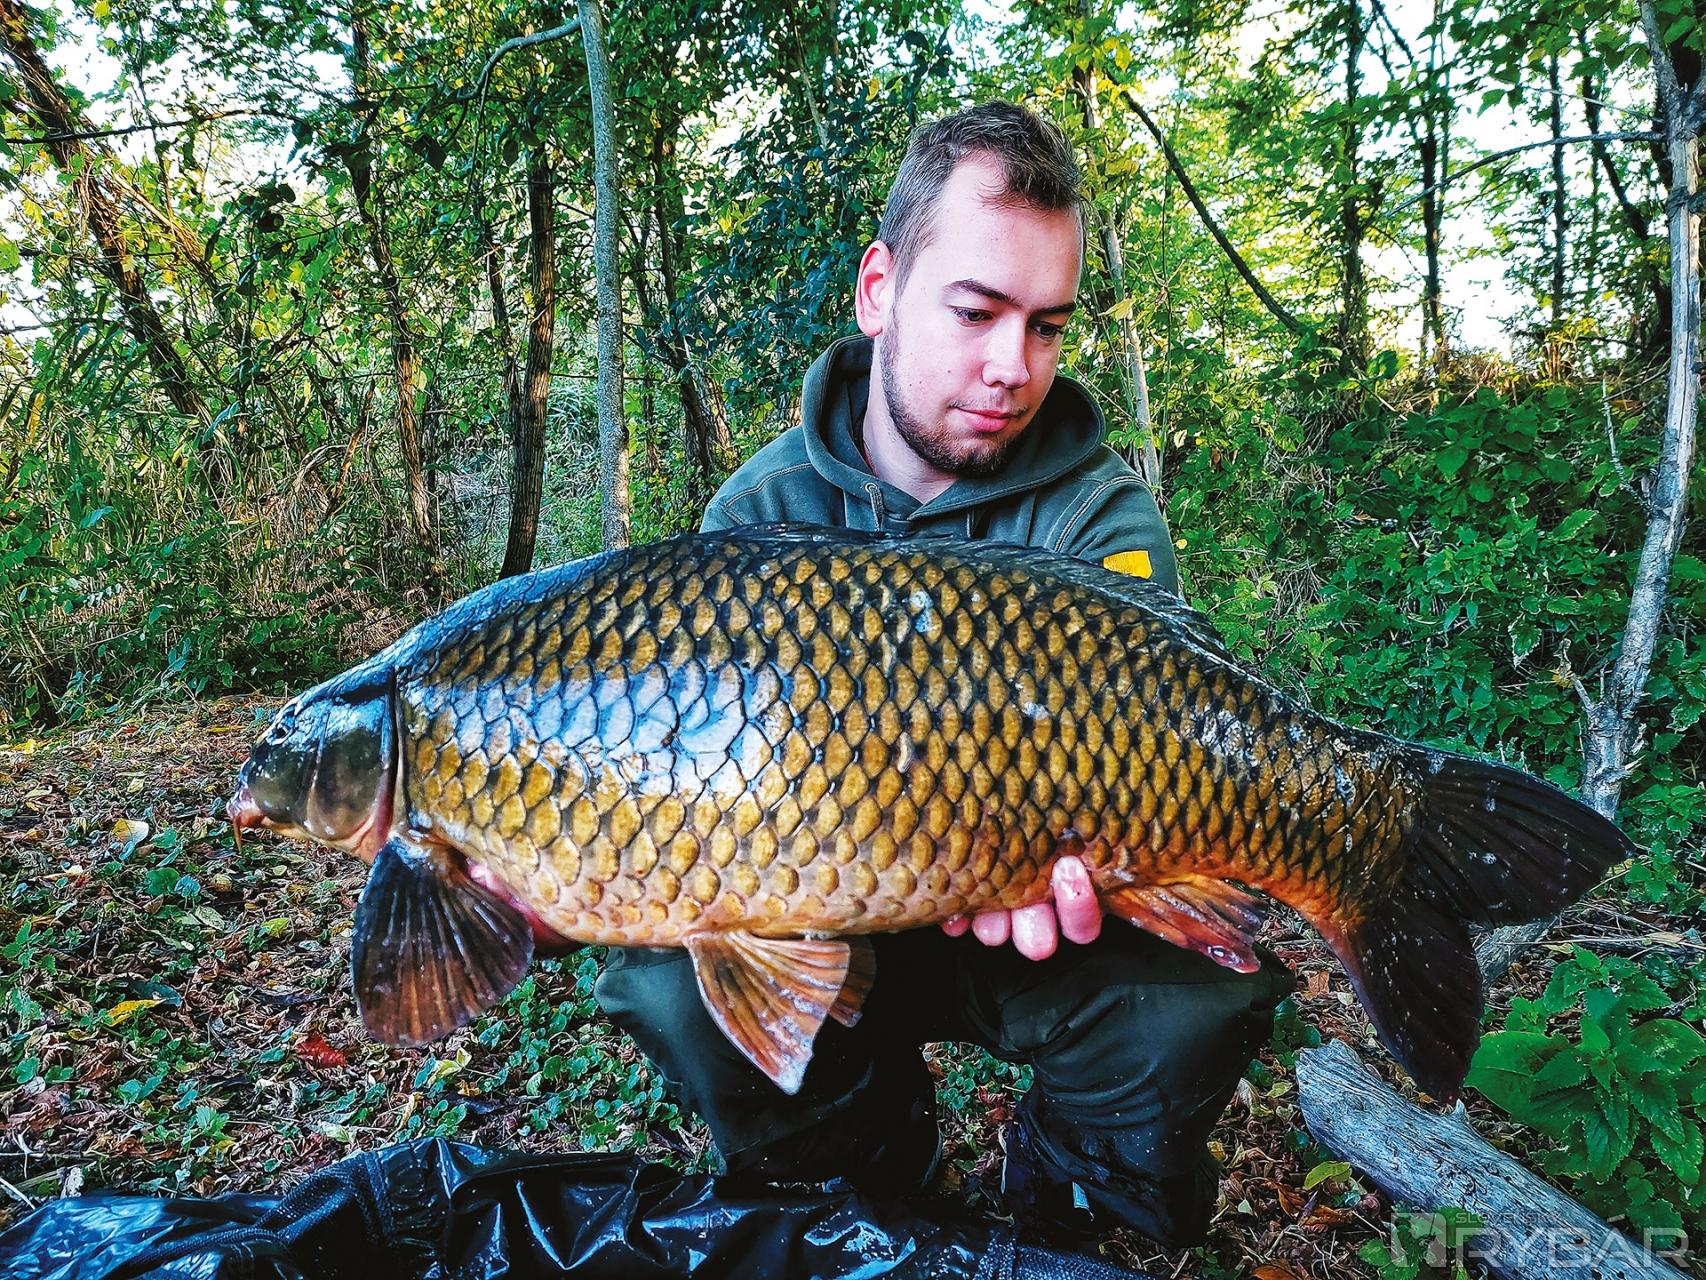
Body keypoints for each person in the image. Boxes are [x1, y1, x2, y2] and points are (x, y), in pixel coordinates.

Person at [595, 101, 1293, 1248]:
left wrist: (1088, 861)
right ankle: (868, 1187)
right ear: (879, 290)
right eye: (975, 312)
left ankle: (1073, 1200)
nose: (1011, 366)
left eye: (1045, 326)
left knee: (1190, 998)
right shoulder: (757, 511)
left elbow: (1158, 759)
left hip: (1030, 910)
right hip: (825, 902)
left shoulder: (1099, 518)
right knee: (668, 978)